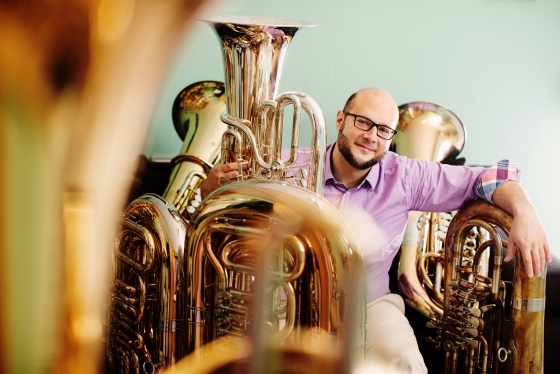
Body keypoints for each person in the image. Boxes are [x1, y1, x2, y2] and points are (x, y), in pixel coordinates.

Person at [200, 88, 551, 373]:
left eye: (383, 130)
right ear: (340, 119)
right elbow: (224, 215)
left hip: (369, 305)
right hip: (288, 304)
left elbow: (492, 175)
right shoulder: (290, 164)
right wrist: (211, 187)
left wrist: (525, 210)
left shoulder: (407, 176)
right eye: (363, 122)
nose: (371, 136)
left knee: (405, 363)